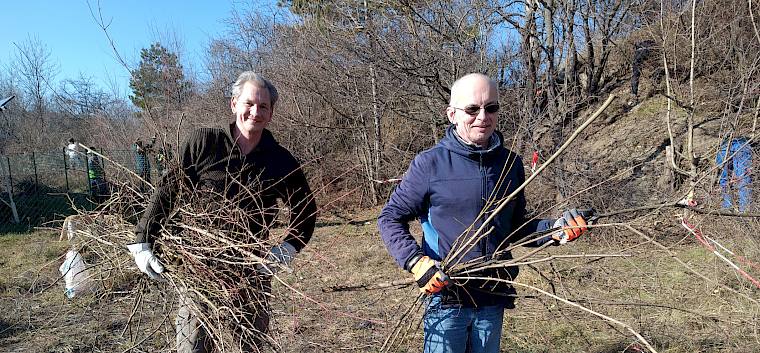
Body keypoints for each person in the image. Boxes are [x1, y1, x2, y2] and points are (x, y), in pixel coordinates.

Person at [377, 73, 589, 353]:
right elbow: (390, 217)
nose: (483, 117)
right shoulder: (430, 164)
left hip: (493, 294)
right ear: (452, 114)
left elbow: (513, 227)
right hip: (447, 296)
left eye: (491, 108)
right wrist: (415, 261)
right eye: (472, 109)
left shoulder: (510, 164)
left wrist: (555, 230)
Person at [127, 71, 317, 352]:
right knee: (192, 346)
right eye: (249, 103)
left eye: (264, 107)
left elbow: (306, 210)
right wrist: (143, 241)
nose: (255, 112)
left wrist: (285, 250)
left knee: (248, 346)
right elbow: (168, 191)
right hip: (199, 270)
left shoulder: (280, 160)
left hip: (250, 273)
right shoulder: (204, 144)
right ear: (234, 104)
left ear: (271, 113)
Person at [717, 137, 752, 212]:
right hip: (741, 143)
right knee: (744, 179)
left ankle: (727, 210)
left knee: (725, 180)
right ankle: (744, 211)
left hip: (726, 143)